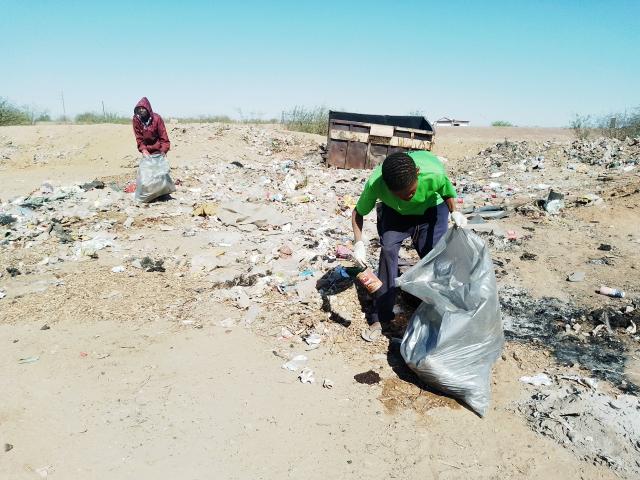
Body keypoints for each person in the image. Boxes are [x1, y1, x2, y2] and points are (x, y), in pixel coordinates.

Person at [351, 150, 467, 341]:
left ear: (418, 173)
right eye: (401, 194)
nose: (408, 197)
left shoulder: (433, 174)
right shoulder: (376, 183)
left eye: (411, 192)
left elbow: (447, 192)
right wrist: (359, 243)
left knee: (434, 258)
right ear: (387, 187)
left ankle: (442, 313)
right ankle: (381, 316)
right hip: (395, 214)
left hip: (431, 210)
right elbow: (358, 212)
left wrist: (455, 212)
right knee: (387, 252)